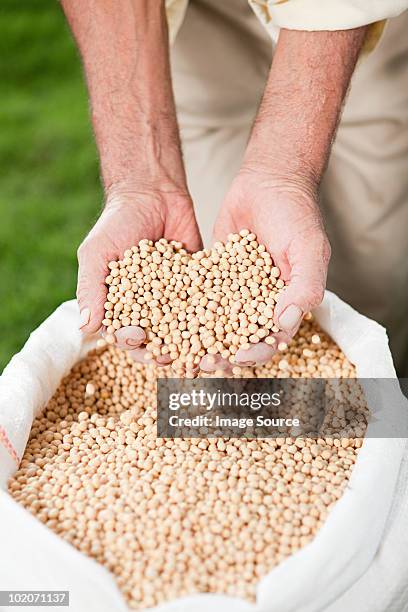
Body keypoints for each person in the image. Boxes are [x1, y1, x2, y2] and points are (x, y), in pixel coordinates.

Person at [61, 0, 408, 373]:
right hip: (193, 16)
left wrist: (283, 171)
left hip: (364, 12)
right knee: (227, 268)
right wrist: (140, 182)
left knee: (373, 266)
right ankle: (263, 418)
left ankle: (375, 402)